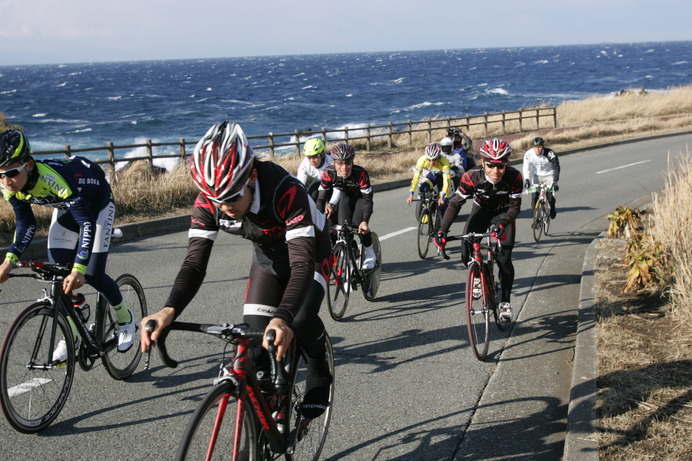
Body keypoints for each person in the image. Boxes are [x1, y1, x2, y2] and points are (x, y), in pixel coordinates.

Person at [140, 122, 332, 418]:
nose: (224, 207)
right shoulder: (211, 199)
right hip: (268, 258)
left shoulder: (284, 190)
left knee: (301, 318)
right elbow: (194, 263)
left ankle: (319, 369)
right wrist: (168, 310)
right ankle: (261, 433)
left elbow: (302, 265)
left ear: (252, 175)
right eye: (216, 200)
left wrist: (282, 318)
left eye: (231, 197)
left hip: (313, 254)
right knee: (253, 346)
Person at [0, 129, 134, 360]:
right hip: (69, 210)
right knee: (58, 271)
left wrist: (79, 268)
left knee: (91, 272)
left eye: (11, 172)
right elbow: (26, 224)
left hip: (97, 207)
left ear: (29, 165)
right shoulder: (9, 185)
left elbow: (87, 223)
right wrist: (8, 261)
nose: (5, 181)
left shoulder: (51, 179)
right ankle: (73, 328)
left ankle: (126, 319)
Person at [434, 138, 523, 322]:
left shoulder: (515, 177)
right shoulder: (471, 176)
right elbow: (455, 204)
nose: (496, 171)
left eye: (501, 166)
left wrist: (503, 223)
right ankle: (476, 275)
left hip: (504, 214)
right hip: (481, 210)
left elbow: (515, 207)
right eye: (491, 166)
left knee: (504, 258)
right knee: (466, 248)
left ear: (507, 163)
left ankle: (505, 301)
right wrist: (442, 229)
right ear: (483, 162)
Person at [316, 143, 377, 270]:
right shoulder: (328, 173)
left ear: (352, 162)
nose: (344, 168)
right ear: (334, 163)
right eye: (340, 163)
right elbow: (321, 199)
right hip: (344, 197)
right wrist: (318, 221)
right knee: (338, 224)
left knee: (358, 225)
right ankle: (350, 247)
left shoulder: (360, 174)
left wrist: (365, 221)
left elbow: (368, 200)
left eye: (348, 163)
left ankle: (370, 253)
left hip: (360, 198)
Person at [406, 143, 451, 216]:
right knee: (423, 187)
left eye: (434, 160)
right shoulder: (422, 160)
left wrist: (442, 197)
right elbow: (415, 178)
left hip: (442, 178)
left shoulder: (444, 162)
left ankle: (444, 226)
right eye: (429, 160)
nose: (431, 163)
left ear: (439, 157)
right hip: (432, 176)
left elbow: (446, 182)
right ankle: (426, 208)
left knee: (442, 204)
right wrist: (411, 194)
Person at [522, 136, 560, 219]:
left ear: (543, 146)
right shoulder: (528, 154)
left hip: (549, 175)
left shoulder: (550, 153)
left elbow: (556, 167)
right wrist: (527, 179)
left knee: (550, 197)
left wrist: (555, 182)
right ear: (532, 147)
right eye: (535, 147)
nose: (537, 149)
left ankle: (552, 208)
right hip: (537, 176)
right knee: (534, 197)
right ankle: (536, 217)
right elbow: (526, 168)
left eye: (539, 147)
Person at [296, 137, 335, 202]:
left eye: (315, 156)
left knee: (330, 199)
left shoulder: (331, 162)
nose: (312, 160)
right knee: (311, 197)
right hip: (319, 180)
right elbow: (300, 184)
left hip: (332, 182)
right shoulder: (305, 164)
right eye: (309, 157)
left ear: (322, 154)